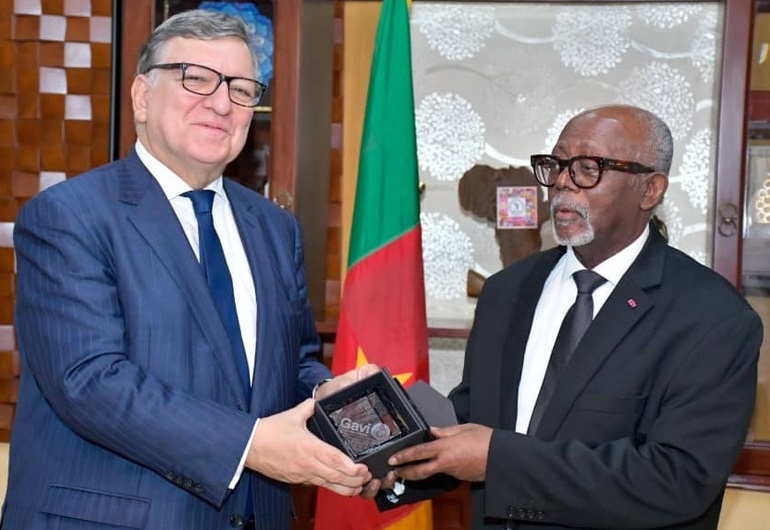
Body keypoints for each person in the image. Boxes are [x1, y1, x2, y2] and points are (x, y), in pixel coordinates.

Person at [1, 9, 374, 530]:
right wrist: (250, 446)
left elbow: (291, 364)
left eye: (241, 89)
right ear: (142, 96)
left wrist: (326, 398)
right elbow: (89, 382)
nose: (221, 103)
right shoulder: (69, 216)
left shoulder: (275, 227)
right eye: (196, 79)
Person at [364, 105, 763, 530]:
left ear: (650, 190)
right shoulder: (506, 291)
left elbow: (677, 479)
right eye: (555, 165)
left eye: (588, 168)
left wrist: (499, 461)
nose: (562, 183)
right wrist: (392, 454)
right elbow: (473, 419)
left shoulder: (713, 317)